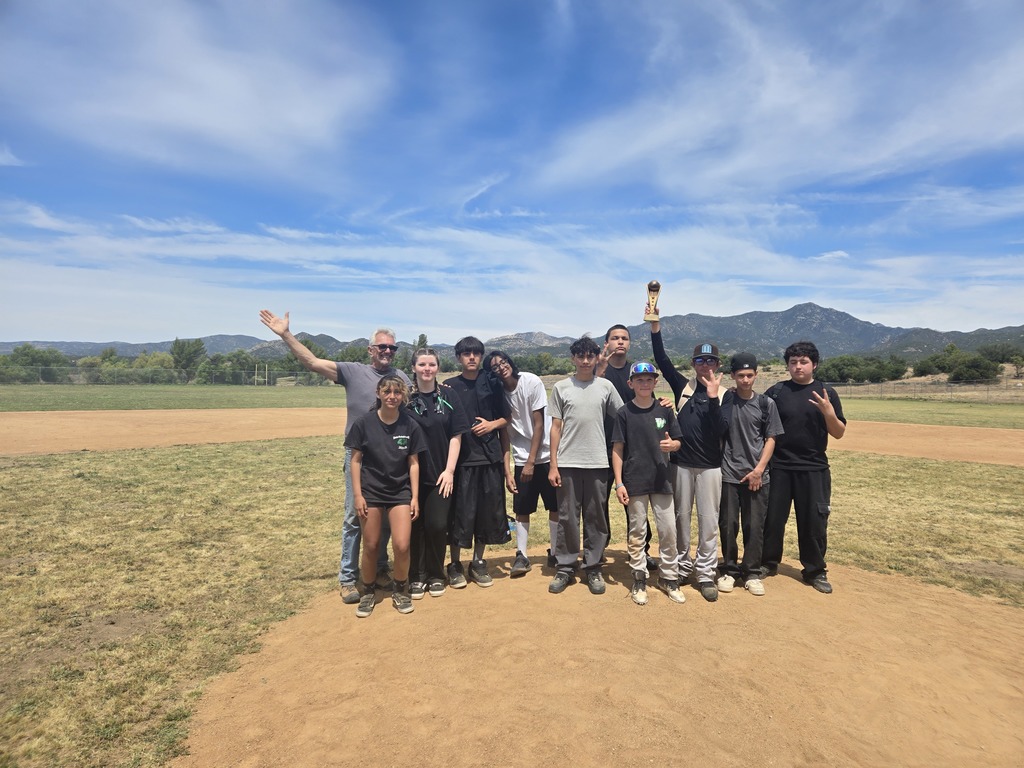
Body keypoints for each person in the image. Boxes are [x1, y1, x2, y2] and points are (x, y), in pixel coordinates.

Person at [259, 310, 411, 605]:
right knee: (356, 516)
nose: (388, 352)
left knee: (383, 519)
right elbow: (312, 362)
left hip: (390, 457)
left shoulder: (400, 378)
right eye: (383, 347)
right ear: (371, 350)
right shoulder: (352, 371)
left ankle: (380, 570)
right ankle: (347, 577)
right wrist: (286, 335)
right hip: (360, 455)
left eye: (393, 347)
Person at [647, 304, 730, 602]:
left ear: (717, 364)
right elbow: (662, 360)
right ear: (694, 363)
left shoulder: (725, 395)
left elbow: (722, 429)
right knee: (681, 518)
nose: (705, 364)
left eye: (710, 360)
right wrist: (655, 326)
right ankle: (682, 567)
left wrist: (713, 399)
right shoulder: (682, 386)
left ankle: (706, 573)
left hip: (710, 466)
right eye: (700, 360)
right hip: (681, 464)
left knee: (708, 520)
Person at [762, 341, 846, 594]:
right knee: (772, 520)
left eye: (803, 362)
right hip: (780, 468)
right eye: (793, 362)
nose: (798, 367)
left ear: (814, 364)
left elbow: (839, 433)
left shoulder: (826, 392)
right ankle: (767, 563)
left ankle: (815, 570)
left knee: (813, 523)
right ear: (787, 365)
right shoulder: (776, 392)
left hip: (814, 468)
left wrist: (828, 412)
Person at [547, 336, 624, 595]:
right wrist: (553, 465)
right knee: (568, 517)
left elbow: (624, 416)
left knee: (595, 517)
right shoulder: (561, 387)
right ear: (573, 359)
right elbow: (555, 428)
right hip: (568, 462)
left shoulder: (605, 386)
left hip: (597, 463)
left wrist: (658, 409)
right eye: (580, 356)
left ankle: (593, 567)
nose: (585, 360)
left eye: (590, 356)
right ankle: (566, 566)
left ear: (595, 359)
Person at [344, 375, 426, 617]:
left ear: (403, 396)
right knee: (371, 545)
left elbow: (414, 463)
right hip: (371, 492)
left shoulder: (410, 425)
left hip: (400, 492)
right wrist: (358, 495)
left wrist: (414, 497)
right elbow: (355, 461)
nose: (392, 397)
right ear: (378, 393)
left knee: (402, 545)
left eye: (397, 392)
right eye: (387, 391)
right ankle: (367, 590)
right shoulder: (364, 423)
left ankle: (401, 588)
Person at [611, 362, 684, 605]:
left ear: (655, 382)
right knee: (637, 531)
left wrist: (673, 446)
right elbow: (618, 449)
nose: (644, 383)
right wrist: (619, 483)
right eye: (639, 380)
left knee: (668, 530)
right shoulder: (623, 412)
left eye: (649, 379)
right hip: (635, 479)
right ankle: (639, 577)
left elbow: (677, 441)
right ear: (631, 384)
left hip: (661, 478)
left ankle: (669, 577)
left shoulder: (664, 410)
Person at [484, 350, 558, 577]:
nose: (501, 367)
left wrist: (531, 462)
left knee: (554, 506)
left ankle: (555, 552)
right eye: (495, 366)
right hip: (521, 457)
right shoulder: (498, 395)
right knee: (521, 508)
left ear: (510, 361)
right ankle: (521, 555)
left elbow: (539, 425)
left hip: (543, 455)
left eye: (503, 362)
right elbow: (504, 435)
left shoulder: (531, 382)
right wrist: (508, 472)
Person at [446, 336, 511, 588]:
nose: (471, 357)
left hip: (489, 458)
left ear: (481, 357)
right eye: (466, 353)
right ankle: (454, 564)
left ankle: (478, 563)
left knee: (486, 513)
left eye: (475, 353)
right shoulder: (449, 387)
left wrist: (491, 424)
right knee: (460, 514)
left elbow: (507, 418)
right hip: (462, 462)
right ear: (459, 358)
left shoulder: (492, 383)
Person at [718, 352, 784, 597]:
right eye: (740, 375)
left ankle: (752, 572)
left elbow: (771, 438)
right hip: (728, 474)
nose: (745, 380)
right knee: (728, 524)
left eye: (750, 375)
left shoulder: (766, 404)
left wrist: (758, 470)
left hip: (757, 476)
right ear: (733, 376)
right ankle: (729, 569)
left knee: (754, 526)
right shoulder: (726, 401)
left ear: (756, 375)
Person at [406, 348, 469, 599]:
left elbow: (457, 435)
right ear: (414, 368)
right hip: (409, 475)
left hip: (440, 473)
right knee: (414, 526)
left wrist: (450, 470)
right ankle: (415, 575)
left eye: (431, 364)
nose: (427, 369)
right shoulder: (405, 399)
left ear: (438, 368)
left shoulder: (449, 395)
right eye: (422, 364)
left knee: (436, 525)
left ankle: (435, 573)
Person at [596, 323, 658, 571]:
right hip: (601, 446)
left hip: (631, 450)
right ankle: (598, 549)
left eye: (624, 338)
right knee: (598, 503)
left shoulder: (635, 372)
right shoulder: (599, 371)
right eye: (614, 338)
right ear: (607, 343)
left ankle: (642, 550)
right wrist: (598, 371)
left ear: (629, 343)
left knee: (634, 503)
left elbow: (647, 399)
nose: (619, 342)